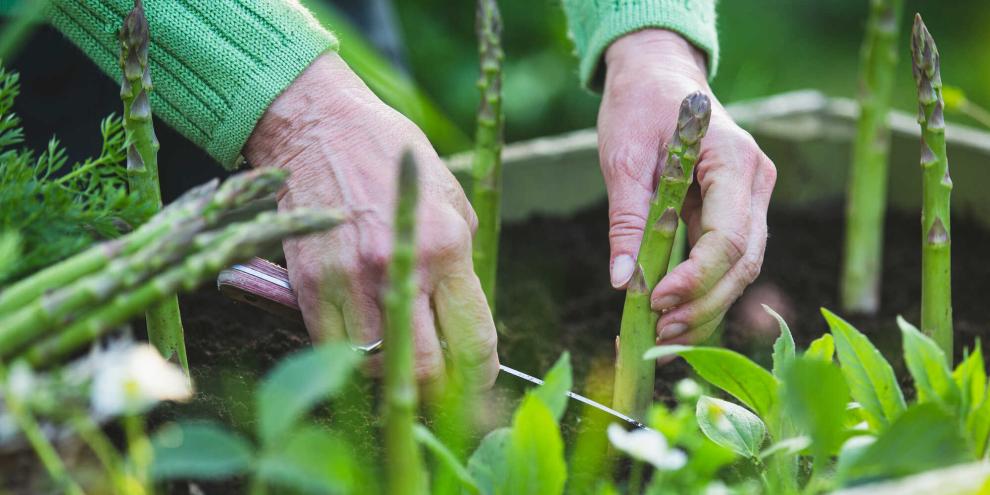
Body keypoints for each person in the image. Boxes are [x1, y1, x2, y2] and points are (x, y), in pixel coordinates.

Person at [46, 0, 775, 389]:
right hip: (62, 68)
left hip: (319, 36)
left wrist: (648, 33)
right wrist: (297, 114)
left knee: (389, 275)